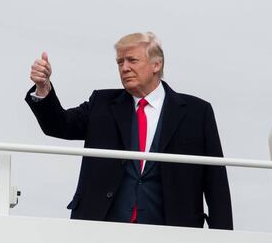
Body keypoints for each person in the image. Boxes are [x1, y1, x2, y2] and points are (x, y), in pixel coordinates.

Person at [25, 32, 233, 230]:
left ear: (156, 64)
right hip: (102, 229)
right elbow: (59, 125)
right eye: (119, 62)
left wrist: (223, 240)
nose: (124, 68)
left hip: (173, 233)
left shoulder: (197, 112)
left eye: (132, 60)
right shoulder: (102, 104)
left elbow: (216, 182)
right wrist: (43, 88)